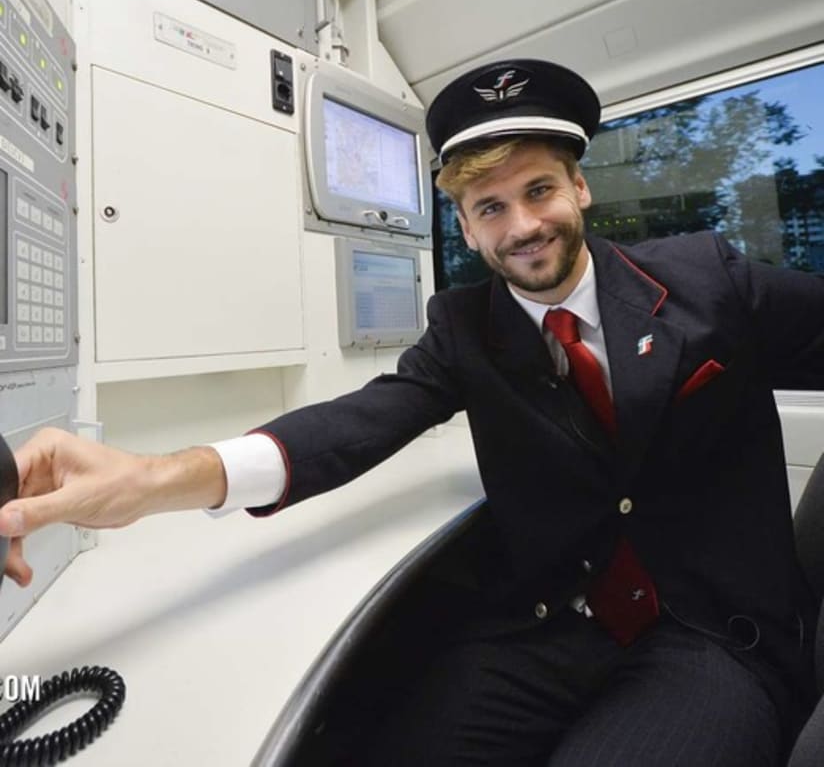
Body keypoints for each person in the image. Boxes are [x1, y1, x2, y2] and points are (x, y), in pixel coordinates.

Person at [3, 58, 824, 765]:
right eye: (491, 208)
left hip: (712, 639)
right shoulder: (467, 328)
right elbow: (360, 423)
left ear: (579, 186)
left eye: (538, 190)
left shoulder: (710, 281)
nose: (524, 226)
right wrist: (154, 480)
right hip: (553, 628)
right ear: (465, 228)